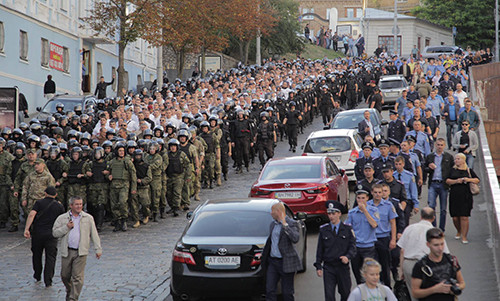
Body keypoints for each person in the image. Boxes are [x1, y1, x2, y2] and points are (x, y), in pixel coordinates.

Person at [52, 196, 102, 301]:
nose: (79, 206)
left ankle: (73, 298)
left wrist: (98, 249)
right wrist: (66, 227)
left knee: (77, 277)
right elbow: (55, 233)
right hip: (67, 251)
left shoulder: (88, 218)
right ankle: (70, 290)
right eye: (77, 204)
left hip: (81, 252)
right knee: (65, 275)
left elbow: (94, 234)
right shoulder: (62, 218)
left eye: (81, 204)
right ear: (71, 206)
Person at [398, 208, 449, 301]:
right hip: (428, 267)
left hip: (409, 264)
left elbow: (402, 250)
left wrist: (401, 270)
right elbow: (444, 252)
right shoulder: (435, 232)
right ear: (433, 218)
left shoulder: (409, 228)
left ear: (421, 217)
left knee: (414, 294)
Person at [23, 186, 65, 287]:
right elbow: (63, 219)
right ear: (56, 195)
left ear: (45, 193)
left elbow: (32, 215)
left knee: (36, 254)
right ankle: (48, 280)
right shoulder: (59, 206)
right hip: (52, 234)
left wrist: (27, 229)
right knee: (50, 257)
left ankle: (37, 274)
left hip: (38, 233)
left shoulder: (39, 203)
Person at [315, 201, 356, 301]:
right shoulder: (324, 230)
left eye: (333, 214)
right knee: (329, 296)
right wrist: (318, 266)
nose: (331, 216)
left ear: (339, 214)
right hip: (329, 267)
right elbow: (320, 249)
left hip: (342, 267)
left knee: (345, 293)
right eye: (329, 214)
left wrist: (348, 256)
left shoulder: (347, 229)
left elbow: (353, 247)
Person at [411, 228, 465, 300]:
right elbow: (415, 293)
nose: (440, 248)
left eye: (442, 244)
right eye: (436, 245)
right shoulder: (421, 266)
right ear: (428, 244)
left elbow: (462, 282)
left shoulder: (451, 260)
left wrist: (457, 287)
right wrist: (435, 289)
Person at [262, 202, 301, 301]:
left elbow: (295, 238)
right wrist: (263, 255)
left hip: (286, 262)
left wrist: (285, 225)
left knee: (287, 292)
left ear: (278, 212)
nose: (271, 213)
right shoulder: (272, 224)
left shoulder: (292, 223)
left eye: (272, 211)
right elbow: (270, 242)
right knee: (270, 289)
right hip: (273, 262)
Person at [346, 190, 379, 285]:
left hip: (368, 247)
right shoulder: (352, 213)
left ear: (367, 198)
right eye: (358, 198)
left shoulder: (374, 210)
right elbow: (348, 228)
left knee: (369, 273)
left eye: (363, 198)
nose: (361, 200)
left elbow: (374, 224)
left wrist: (365, 211)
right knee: (357, 274)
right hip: (356, 247)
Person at [367, 184, 398, 287]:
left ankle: (387, 288)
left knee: (385, 266)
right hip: (371, 239)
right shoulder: (367, 206)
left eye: (380, 192)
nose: (377, 194)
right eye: (375, 192)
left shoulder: (388, 205)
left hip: (384, 238)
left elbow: (393, 223)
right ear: (371, 193)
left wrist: (393, 239)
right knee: (372, 266)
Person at [445, 153, 479, 244]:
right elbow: (447, 180)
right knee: (455, 217)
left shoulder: (468, 170)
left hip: (466, 195)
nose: (456, 160)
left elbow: (476, 180)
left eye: (458, 159)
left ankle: (464, 236)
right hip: (454, 195)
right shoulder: (452, 170)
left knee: (464, 216)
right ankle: (458, 230)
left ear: (463, 160)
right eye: (456, 159)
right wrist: (456, 181)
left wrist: (468, 180)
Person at [424, 138, 454, 231]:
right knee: (431, 206)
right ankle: (433, 227)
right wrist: (429, 167)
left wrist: (450, 181)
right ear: (435, 145)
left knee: (443, 209)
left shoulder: (448, 157)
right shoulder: (430, 157)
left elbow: (452, 170)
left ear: (444, 146)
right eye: (438, 145)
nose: (439, 147)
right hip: (433, 183)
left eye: (441, 145)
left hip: (443, 184)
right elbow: (424, 168)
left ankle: (441, 229)